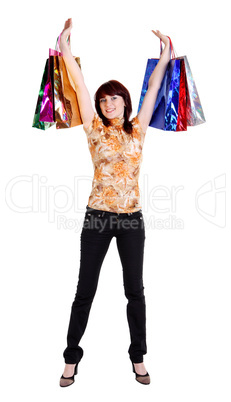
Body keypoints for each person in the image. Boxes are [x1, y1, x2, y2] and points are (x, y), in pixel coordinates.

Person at [59, 18, 170, 387]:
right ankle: (71, 358)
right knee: (84, 290)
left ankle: (138, 357)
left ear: (124, 100)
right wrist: (65, 46)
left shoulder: (138, 128)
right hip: (96, 220)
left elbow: (153, 87)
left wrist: (166, 54)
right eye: (103, 99)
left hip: (131, 221)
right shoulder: (94, 129)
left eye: (114, 98)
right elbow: (78, 83)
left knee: (134, 291)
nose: (108, 103)